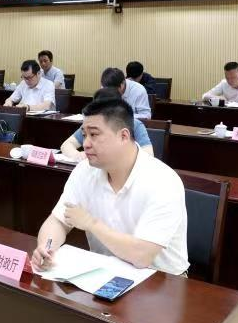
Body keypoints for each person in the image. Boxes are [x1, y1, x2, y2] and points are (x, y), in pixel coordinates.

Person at [30, 97, 188, 275]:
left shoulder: (163, 181)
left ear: (123, 136)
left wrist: (91, 223)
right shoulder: (84, 170)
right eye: (84, 135)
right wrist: (46, 247)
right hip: (104, 273)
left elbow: (142, 256)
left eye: (94, 135)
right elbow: (58, 220)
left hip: (161, 280)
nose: (85, 144)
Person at [60, 87, 152, 160]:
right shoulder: (91, 124)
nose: (86, 144)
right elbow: (66, 145)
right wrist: (78, 155)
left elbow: (148, 155)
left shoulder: (135, 124)